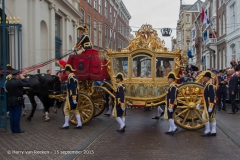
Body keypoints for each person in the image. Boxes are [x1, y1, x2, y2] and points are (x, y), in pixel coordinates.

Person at [60, 64, 82, 129]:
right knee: (75, 110)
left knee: (66, 109)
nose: (65, 72)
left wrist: (74, 98)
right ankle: (79, 123)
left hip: (71, 97)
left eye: (66, 71)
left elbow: (73, 88)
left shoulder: (71, 78)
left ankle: (66, 124)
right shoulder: (74, 76)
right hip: (72, 96)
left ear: (68, 71)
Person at [200, 71, 217, 136]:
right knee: (212, 117)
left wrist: (210, 106)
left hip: (209, 104)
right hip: (208, 103)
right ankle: (213, 131)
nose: (203, 78)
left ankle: (207, 130)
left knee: (204, 117)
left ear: (207, 78)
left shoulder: (210, 86)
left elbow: (212, 96)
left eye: (204, 77)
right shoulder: (207, 85)